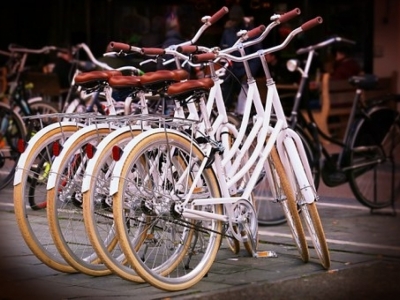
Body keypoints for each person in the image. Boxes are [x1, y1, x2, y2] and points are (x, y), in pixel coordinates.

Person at [219, 4, 262, 113]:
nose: (234, 21)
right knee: (225, 103)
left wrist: (249, 72)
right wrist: (225, 69)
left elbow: (257, 54)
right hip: (230, 72)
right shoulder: (227, 31)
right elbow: (223, 51)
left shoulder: (250, 31)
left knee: (245, 106)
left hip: (245, 72)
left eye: (236, 19)